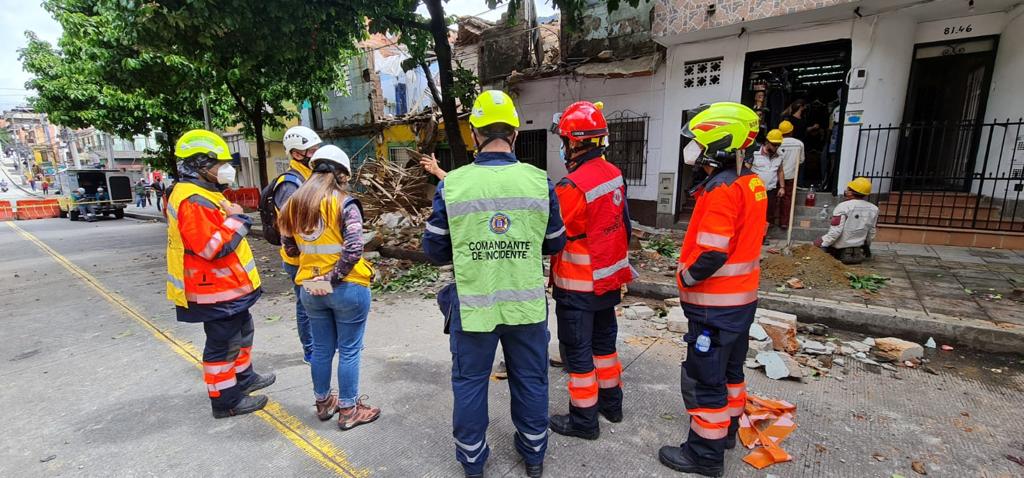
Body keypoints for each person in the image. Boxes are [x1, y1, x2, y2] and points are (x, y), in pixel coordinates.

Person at [423, 90, 566, 478]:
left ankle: (472, 461)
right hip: (527, 307)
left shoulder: (452, 185)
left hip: (474, 307)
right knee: (531, 379)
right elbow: (556, 243)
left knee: (470, 383)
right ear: (515, 134)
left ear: (474, 135)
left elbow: (434, 250)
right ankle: (533, 455)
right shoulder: (539, 182)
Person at [659, 102, 767, 477]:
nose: (690, 148)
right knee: (731, 373)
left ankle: (704, 454)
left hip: (714, 307)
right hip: (742, 302)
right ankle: (727, 433)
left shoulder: (721, 189)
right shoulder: (751, 182)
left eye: (696, 140)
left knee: (705, 378)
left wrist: (685, 279)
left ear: (718, 142)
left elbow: (712, 253)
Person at [165, 129, 275, 419]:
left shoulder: (206, 194)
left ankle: (243, 378)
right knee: (222, 345)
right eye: (219, 163)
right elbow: (211, 248)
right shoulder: (193, 201)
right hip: (213, 290)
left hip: (228, 288)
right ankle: (225, 400)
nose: (226, 169)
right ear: (199, 165)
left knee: (241, 333)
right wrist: (239, 218)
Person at [547, 100, 634, 441]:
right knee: (605, 347)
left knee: (579, 353)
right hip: (607, 280)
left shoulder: (571, 186)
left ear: (575, 142)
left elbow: (553, 237)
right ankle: (612, 405)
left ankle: (584, 421)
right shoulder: (614, 174)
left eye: (565, 139)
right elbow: (623, 223)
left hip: (577, 286)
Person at [278, 145, 381, 430]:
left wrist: (317, 276)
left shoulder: (294, 205)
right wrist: (332, 279)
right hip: (346, 287)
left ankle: (324, 404)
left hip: (309, 287)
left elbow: (290, 248)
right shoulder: (344, 203)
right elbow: (354, 248)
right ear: (341, 175)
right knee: (349, 350)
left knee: (322, 348)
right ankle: (349, 410)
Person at [274, 125, 323, 364]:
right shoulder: (289, 183)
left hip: (315, 256)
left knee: (319, 301)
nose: (315, 153)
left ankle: (321, 345)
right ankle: (310, 350)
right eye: (311, 150)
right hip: (298, 259)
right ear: (296, 154)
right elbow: (289, 222)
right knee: (306, 306)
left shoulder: (309, 177)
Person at [814, 177, 878, 264]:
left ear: (851, 192)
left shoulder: (843, 206)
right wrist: (867, 246)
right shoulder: (874, 209)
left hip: (841, 253)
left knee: (817, 243)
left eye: (847, 189)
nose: (846, 191)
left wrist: (823, 243)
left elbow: (836, 232)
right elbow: (871, 232)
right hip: (858, 253)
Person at [750, 129, 784, 232]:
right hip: (755, 190)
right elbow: (747, 169)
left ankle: (763, 236)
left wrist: (782, 187)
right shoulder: (755, 153)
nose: (776, 147)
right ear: (767, 142)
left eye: (778, 144)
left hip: (770, 190)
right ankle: (752, 233)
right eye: (774, 144)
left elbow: (780, 171)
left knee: (768, 214)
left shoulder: (780, 154)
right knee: (754, 213)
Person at [776, 120, 805, 230]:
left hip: (776, 174)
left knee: (773, 197)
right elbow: (801, 160)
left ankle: (771, 221)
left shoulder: (777, 142)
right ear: (791, 131)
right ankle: (784, 222)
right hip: (791, 175)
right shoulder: (799, 144)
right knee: (787, 199)